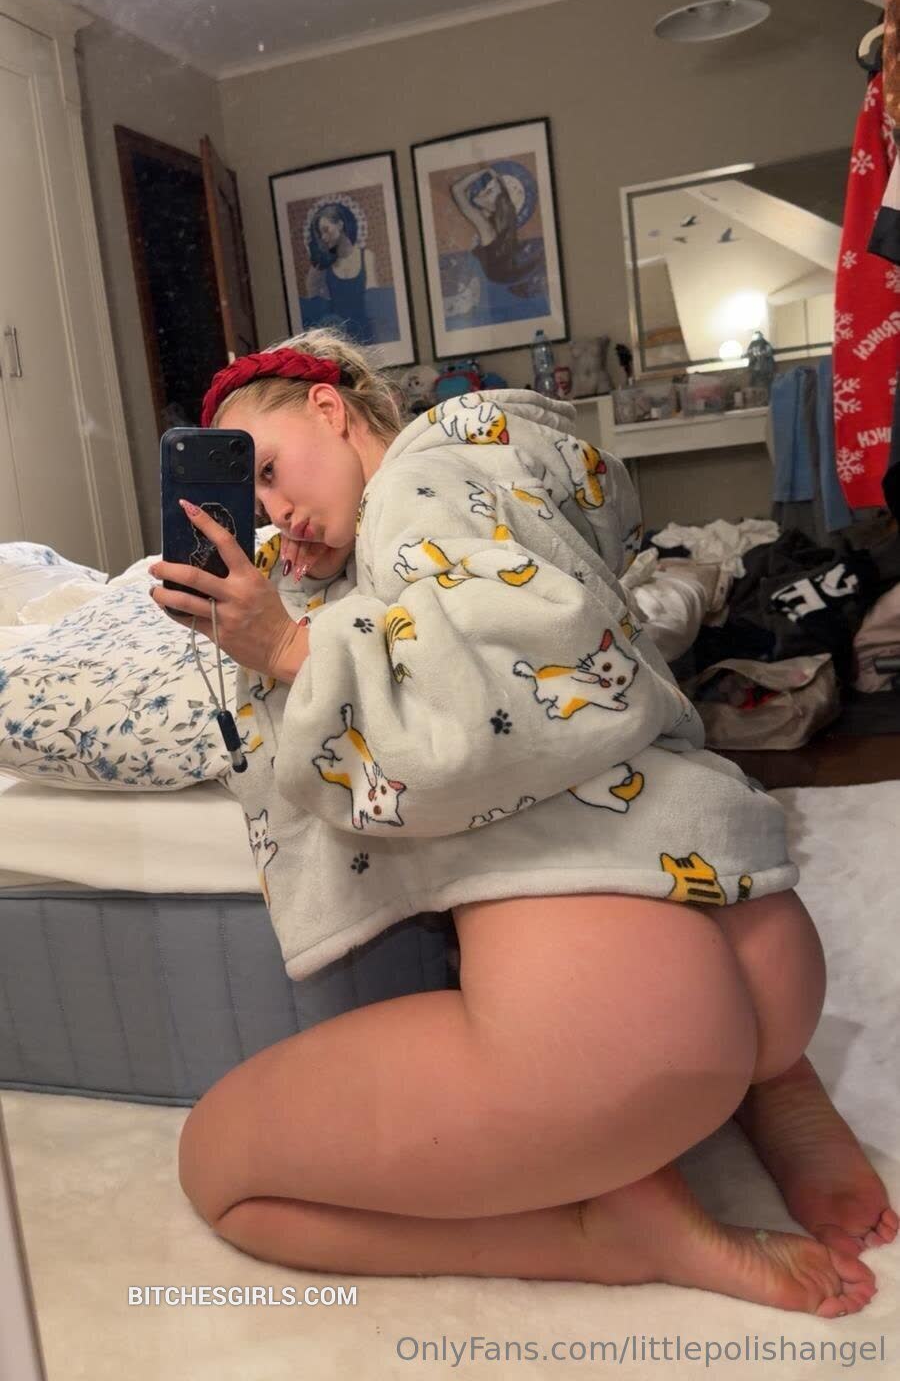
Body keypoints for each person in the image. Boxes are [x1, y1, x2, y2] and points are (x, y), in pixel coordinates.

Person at [148, 327, 895, 1314]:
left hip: (625, 1025)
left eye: (271, 471)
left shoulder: (419, 486)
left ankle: (609, 1226)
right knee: (701, 1043)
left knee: (219, 1167)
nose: (274, 515)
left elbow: (473, 707)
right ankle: (777, 1081)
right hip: (763, 948)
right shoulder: (503, 470)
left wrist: (287, 648)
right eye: (254, 504)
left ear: (330, 407)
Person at [450, 165, 546, 299]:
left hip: (501, 274)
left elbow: (456, 190)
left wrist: (483, 171)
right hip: (503, 272)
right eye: (487, 188)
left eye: (489, 192)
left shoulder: (486, 227)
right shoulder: (498, 222)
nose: (483, 190)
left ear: (495, 206)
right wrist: (495, 179)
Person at [305, 202, 379, 339]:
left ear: (340, 224)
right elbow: (313, 296)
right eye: (320, 234)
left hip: (366, 334)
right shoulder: (324, 265)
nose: (323, 237)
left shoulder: (367, 256)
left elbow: (373, 299)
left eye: (326, 230)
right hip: (339, 337)